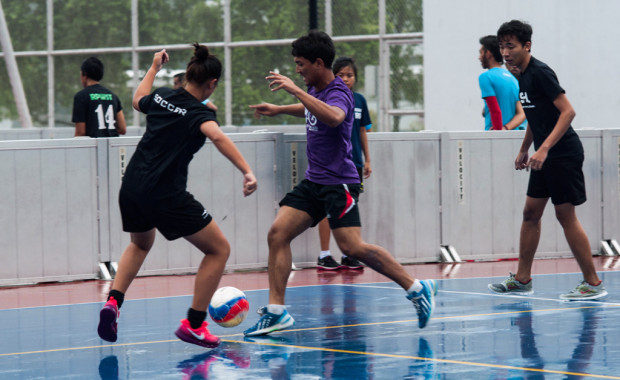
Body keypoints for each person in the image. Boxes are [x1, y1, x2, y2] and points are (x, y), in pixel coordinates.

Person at [243, 31, 436, 337]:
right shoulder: (315, 89)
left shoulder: (338, 92)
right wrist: (280, 109)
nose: (297, 70)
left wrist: (295, 92)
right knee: (277, 234)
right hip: (315, 181)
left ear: (319, 63)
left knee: (352, 247)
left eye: (301, 64)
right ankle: (277, 313)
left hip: (339, 183)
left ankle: (416, 287)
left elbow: (334, 116)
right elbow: (311, 108)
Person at [97, 44, 257, 348]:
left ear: (187, 76)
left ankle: (113, 303)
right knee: (219, 249)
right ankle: (194, 324)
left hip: (131, 185)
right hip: (165, 192)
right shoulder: (199, 113)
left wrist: (155, 66)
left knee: (140, 243)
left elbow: (136, 100)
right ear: (211, 84)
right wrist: (247, 171)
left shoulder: (162, 96)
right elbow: (218, 136)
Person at [488, 20, 607, 300]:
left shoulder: (540, 72)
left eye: (511, 46)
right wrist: (525, 148)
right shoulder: (521, 76)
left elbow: (567, 112)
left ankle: (592, 283)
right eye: (502, 46)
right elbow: (534, 115)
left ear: (527, 46)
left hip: (562, 153)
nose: (505, 52)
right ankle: (522, 279)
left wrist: (545, 149)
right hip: (544, 155)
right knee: (531, 213)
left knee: (565, 215)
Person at [317, 56, 371, 271]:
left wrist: (368, 160)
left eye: (350, 75)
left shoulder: (359, 100)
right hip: (332, 166)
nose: (346, 79)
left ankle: (348, 254)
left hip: (354, 165)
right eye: (341, 75)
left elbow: (363, 130)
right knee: (325, 209)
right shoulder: (329, 98)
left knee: (350, 207)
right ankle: (324, 254)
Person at [478, 35, 526, 131]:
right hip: (511, 137)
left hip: (494, 135)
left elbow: (495, 110)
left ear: (488, 53)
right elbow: (522, 114)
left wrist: (498, 130)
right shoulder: (513, 79)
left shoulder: (486, 77)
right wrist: (505, 128)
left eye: (481, 53)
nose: (479, 57)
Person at [72, 57, 127, 137]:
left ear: (84, 74)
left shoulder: (81, 97)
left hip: (92, 147)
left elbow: (81, 132)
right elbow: (122, 129)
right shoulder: (113, 96)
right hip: (111, 147)